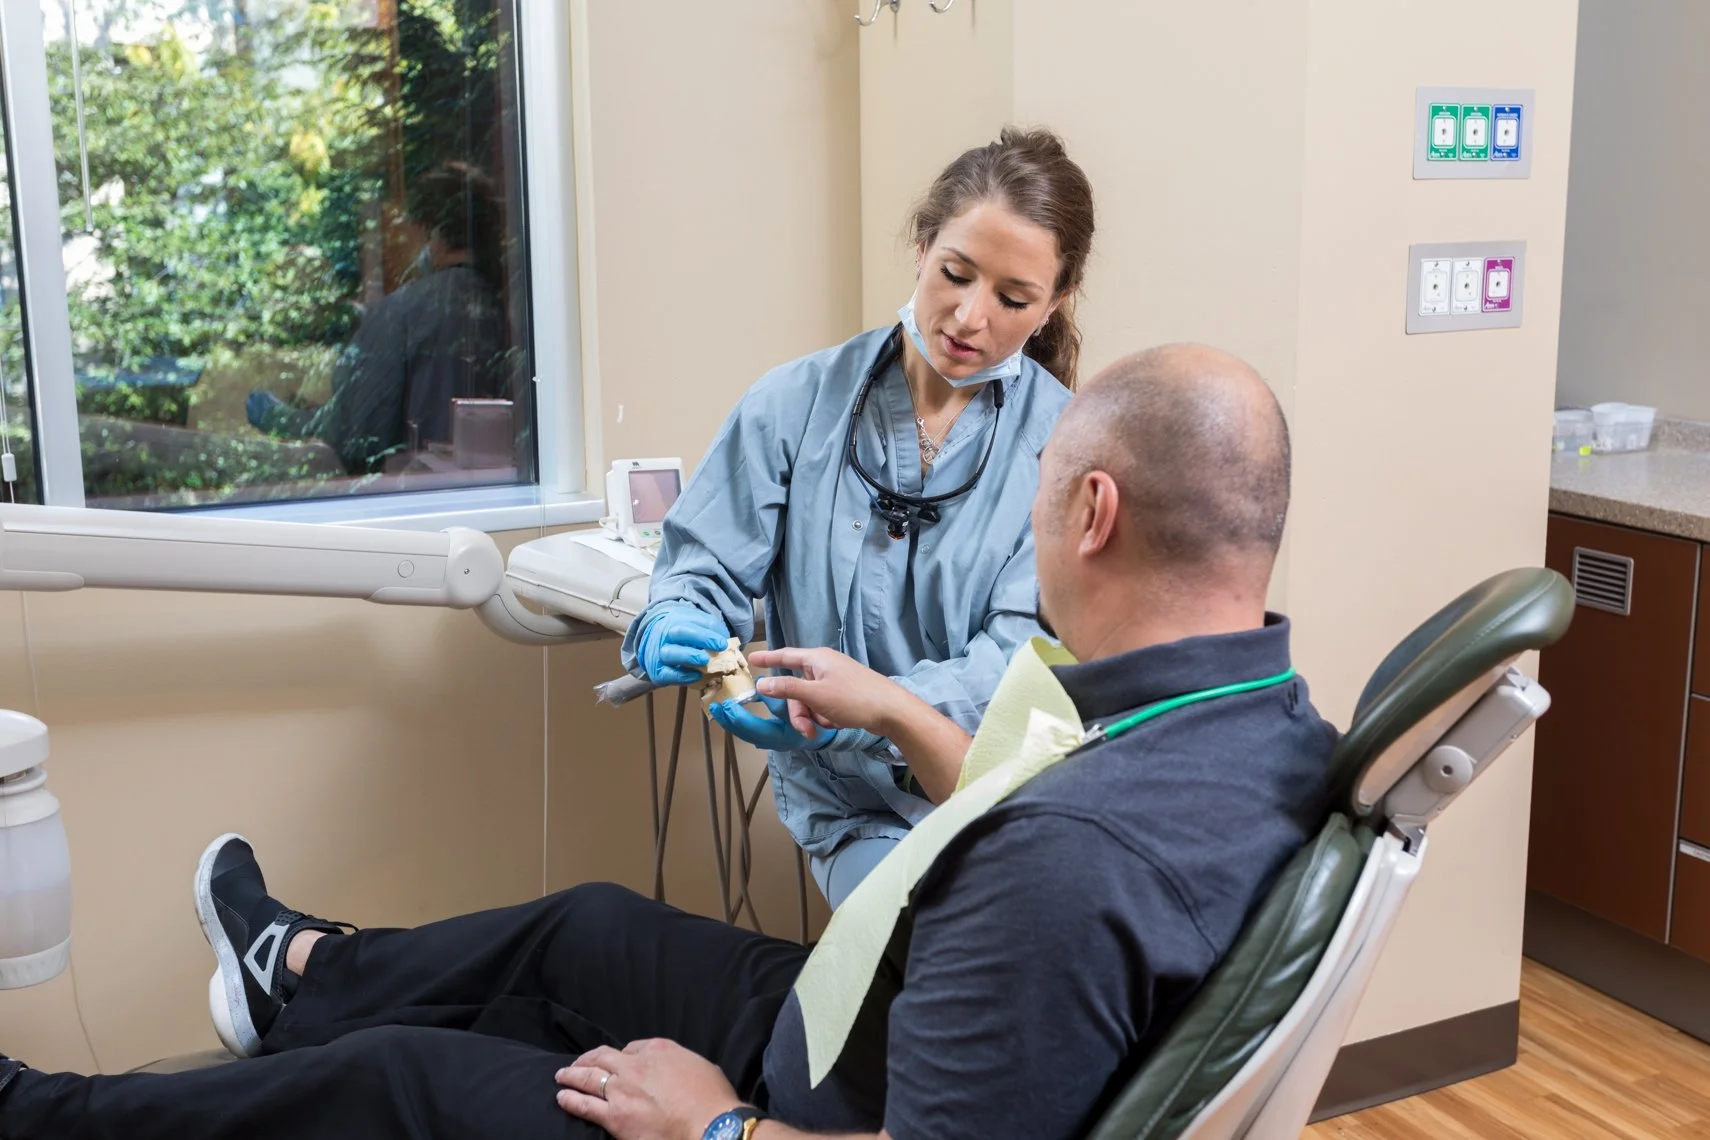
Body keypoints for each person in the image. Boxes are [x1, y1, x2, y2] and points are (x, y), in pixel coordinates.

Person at [0, 344, 1335, 1140]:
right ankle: (299, 976)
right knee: (578, 932)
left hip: (803, 1105)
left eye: (1036, 494)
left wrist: (709, 1121)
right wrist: (888, 705)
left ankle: (48, 1119)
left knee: (414, 1079)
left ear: (1090, 510)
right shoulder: (1256, 721)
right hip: (851, 1019)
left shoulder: (1070, 866)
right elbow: (1007, 799)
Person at [627, 127, 1097, 909]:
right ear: (922, 247)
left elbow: (1019, 664)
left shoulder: (1070, 450)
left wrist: (858, 708)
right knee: (919, 935)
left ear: (1054, 304)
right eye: (955, 274)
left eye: (1013, 299)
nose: (970, 317)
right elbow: (703, 564)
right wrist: (676, 613)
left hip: (996, 801)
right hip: (849, 811)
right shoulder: (794, 404)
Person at [247, 162, 510, 475]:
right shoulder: (508, 306)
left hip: (418, 498)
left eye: (404, 230)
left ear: (430, 230)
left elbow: (360, 438)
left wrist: (279, 418)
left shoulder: (402, 312)